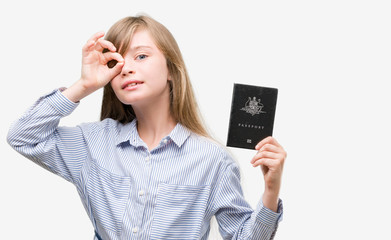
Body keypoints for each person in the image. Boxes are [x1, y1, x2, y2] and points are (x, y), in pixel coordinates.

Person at [7, 15, 286, 240]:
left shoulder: (212, 160)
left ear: (171, 72)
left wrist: (271, 191)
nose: (126, 68)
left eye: (141, 56)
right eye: (116, 61)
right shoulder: (92, 144)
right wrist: (85, 85)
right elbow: (23, 136)